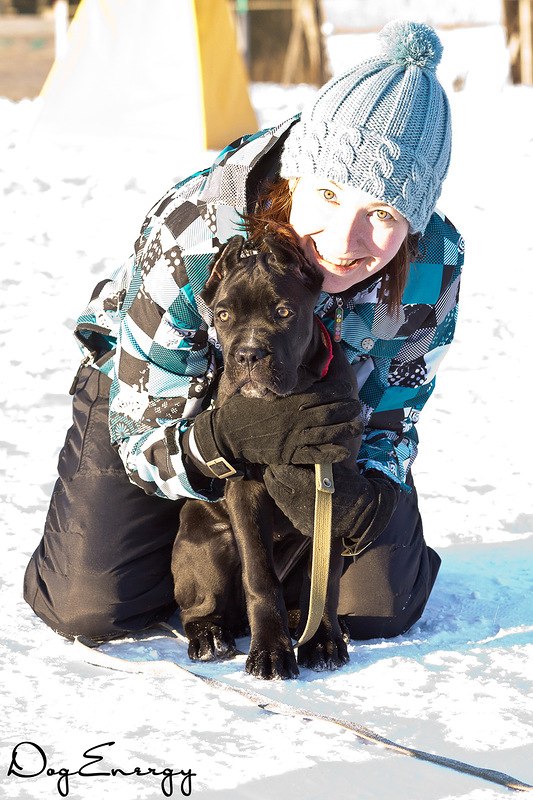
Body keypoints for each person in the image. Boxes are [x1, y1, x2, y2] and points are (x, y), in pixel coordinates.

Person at [24, 20, 464, 646]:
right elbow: (143, 430)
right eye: (331, 195)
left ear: (414, 220)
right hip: (157, 397)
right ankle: (178, 546)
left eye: (383, 214)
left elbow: (396, 408)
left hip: (316, 419)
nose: (344, 243)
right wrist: (219, 438)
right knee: (90, 606)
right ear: (296, 174)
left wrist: (365, 492)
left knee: (375, 606)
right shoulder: (195, 231)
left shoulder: (432, 263)